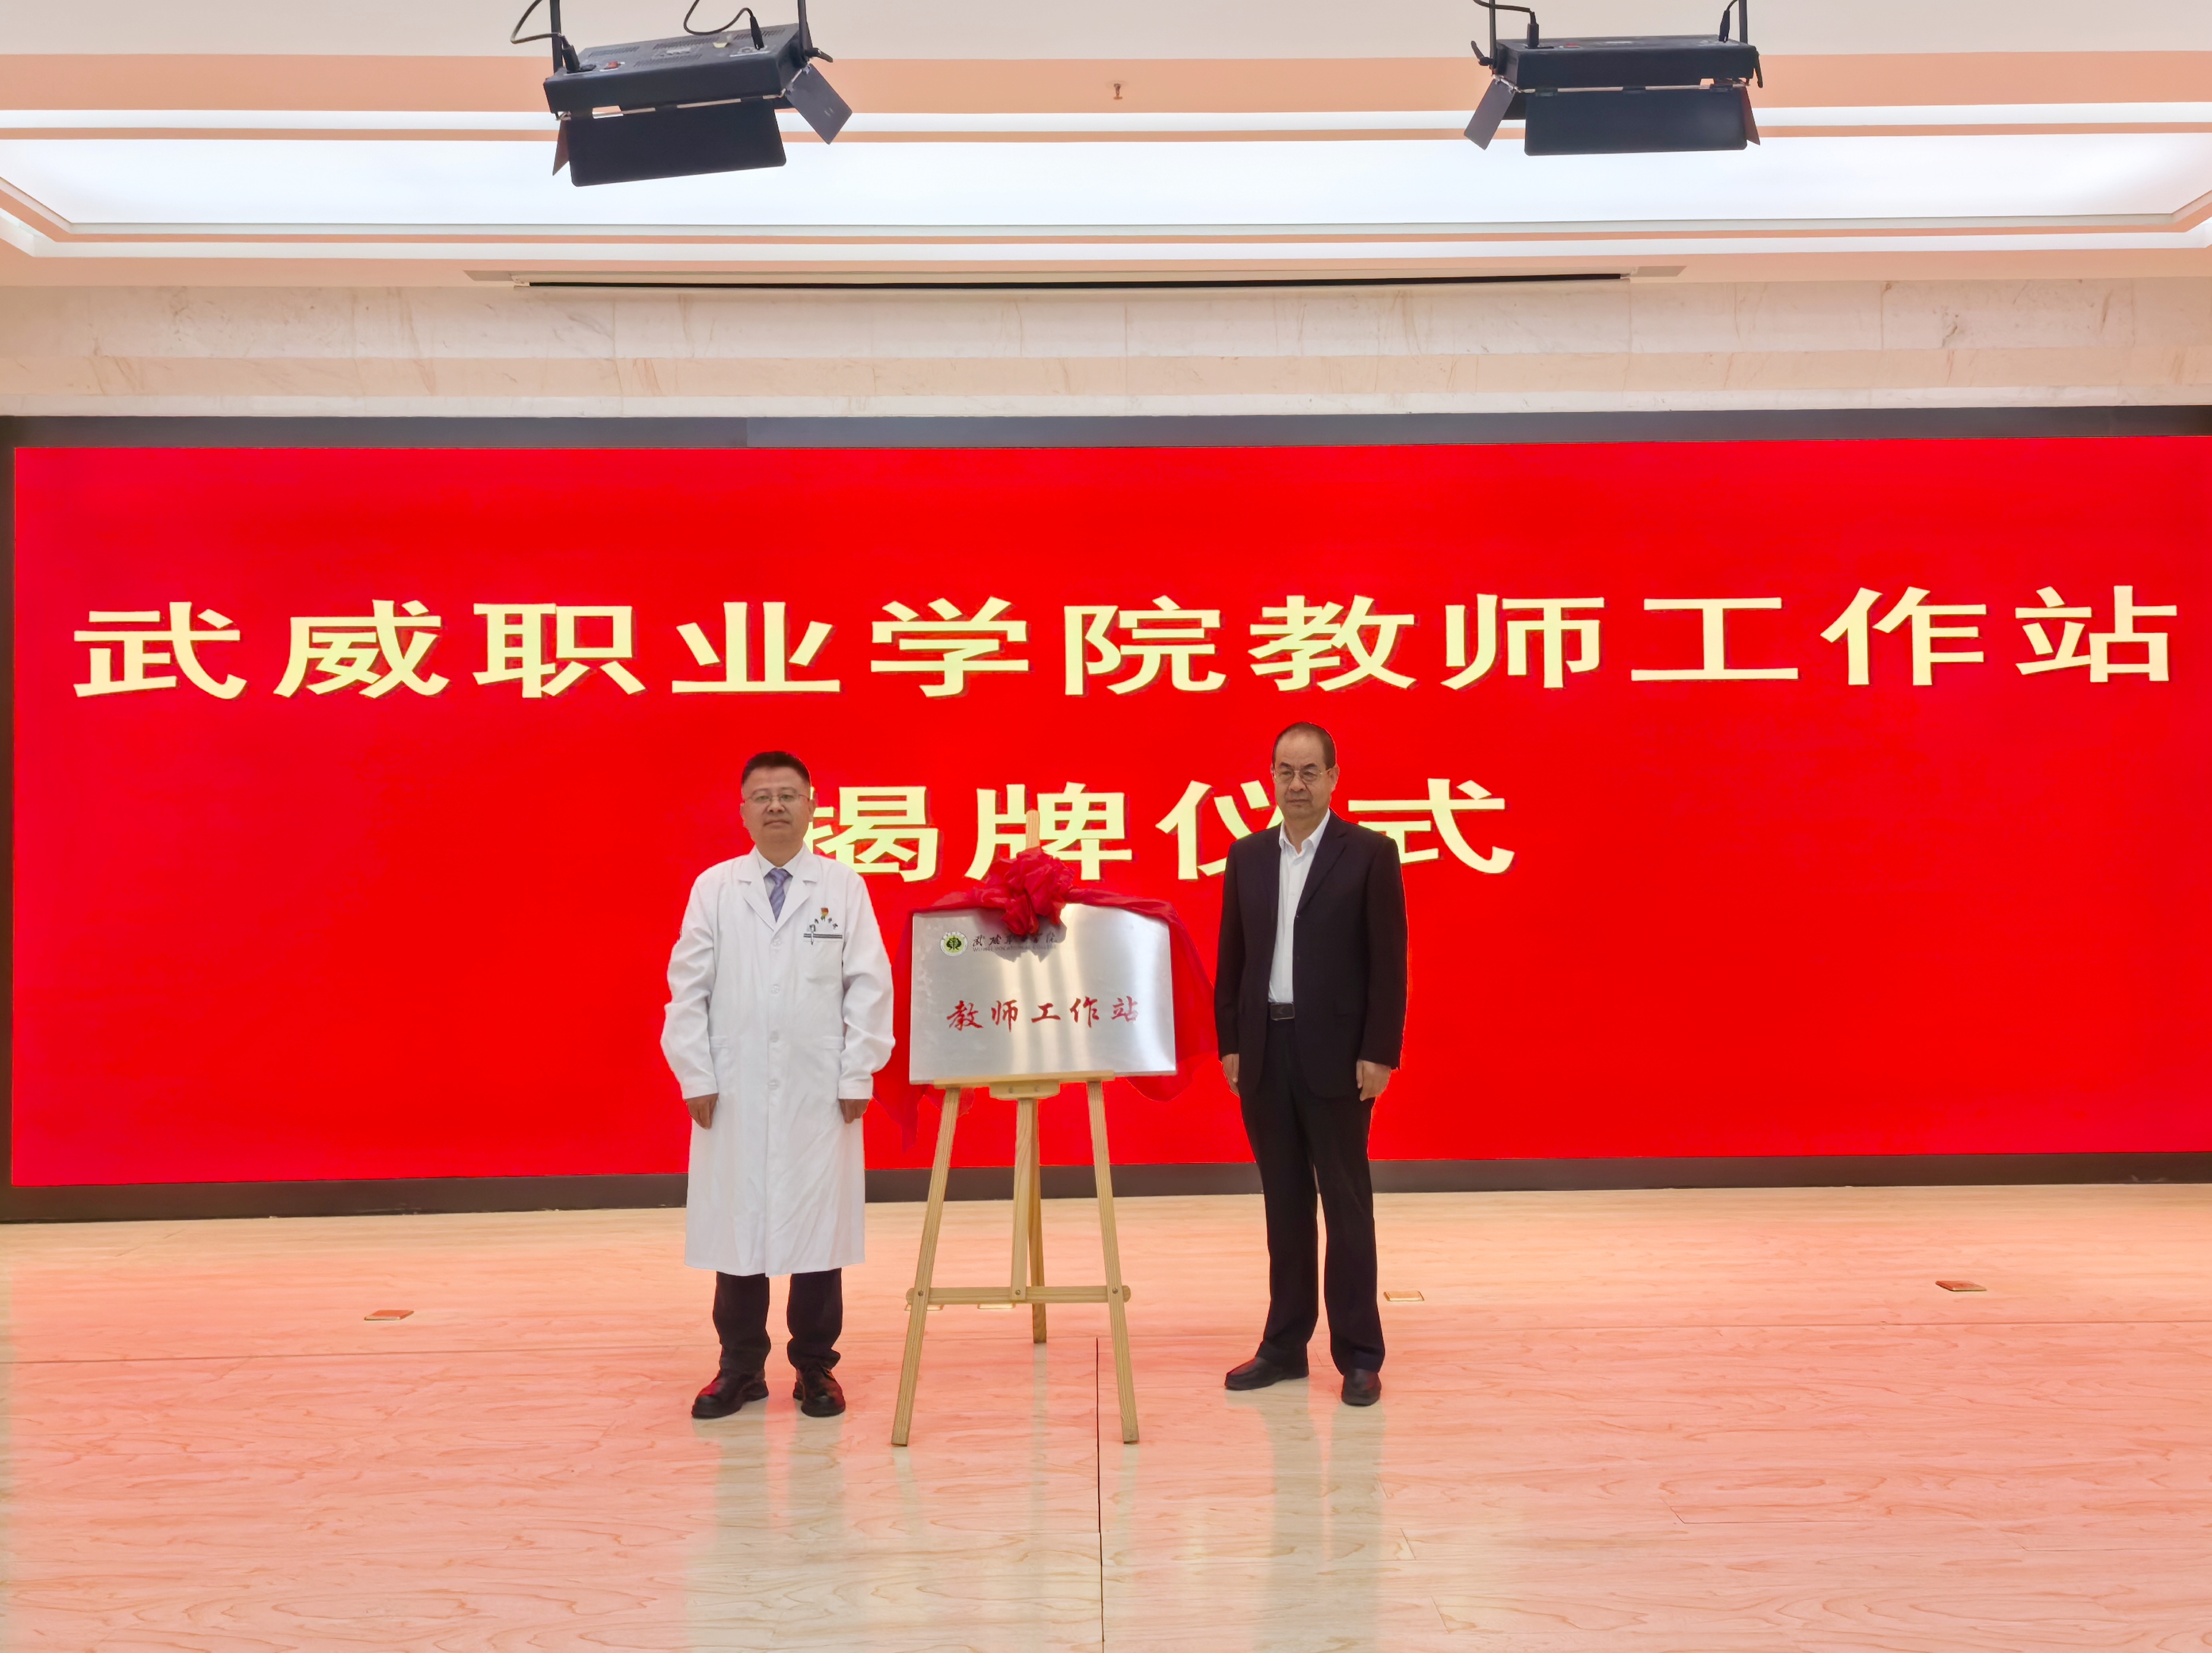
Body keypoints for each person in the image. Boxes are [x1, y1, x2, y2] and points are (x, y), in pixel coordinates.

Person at [661, 750, 894, 1420]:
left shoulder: (842, 885)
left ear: (812, 805)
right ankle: (740, 1369)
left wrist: (858, 1069)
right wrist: (696, 1072)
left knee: (818, 1230)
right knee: (738, 1229)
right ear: (742, 811)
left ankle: (816, 1368)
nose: (775, 806)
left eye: (788, 794)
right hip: (732, 1088)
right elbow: (688, 987)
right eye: (761, 796)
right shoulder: (715, 887)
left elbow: (869, 984)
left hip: (819, 1089)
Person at [1213, 721, 1408, 1407]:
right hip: (1266, 1051)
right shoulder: (1247, 856)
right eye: (1285, 772)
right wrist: (1231, 1042)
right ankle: (1284, 1345)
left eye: (1309, 772)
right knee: (1285, 1203)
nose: (1296, 785)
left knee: (1346, 1205)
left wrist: (1380, 1051)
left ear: (1332, 777)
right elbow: (1233, 958)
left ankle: (1360, 1354)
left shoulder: (1370, 853)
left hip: (1339, 1057)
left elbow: (1389, 963)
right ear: (1271, 777)